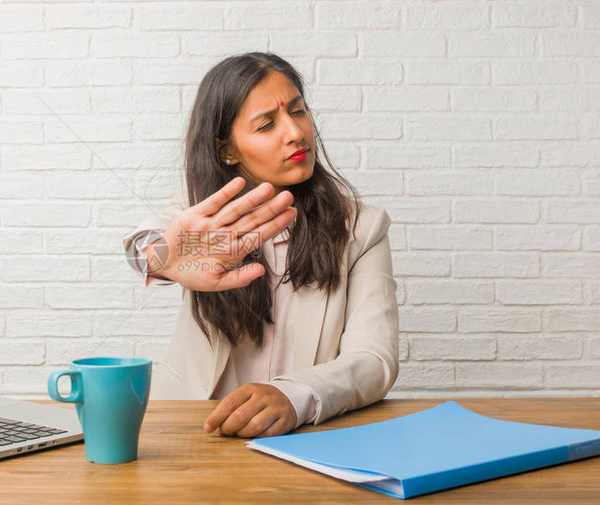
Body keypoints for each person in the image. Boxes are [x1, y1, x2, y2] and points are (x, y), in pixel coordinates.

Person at [122, 52, 398, 439]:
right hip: (188, 431)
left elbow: (374, 361)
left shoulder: (362, 228)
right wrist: (163, 259)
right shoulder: (202, 211)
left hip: (305, 437)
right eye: (267, 124)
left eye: (298, 111)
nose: (295, 132)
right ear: (227, 151)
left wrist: (294, 396)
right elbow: (146, 240)